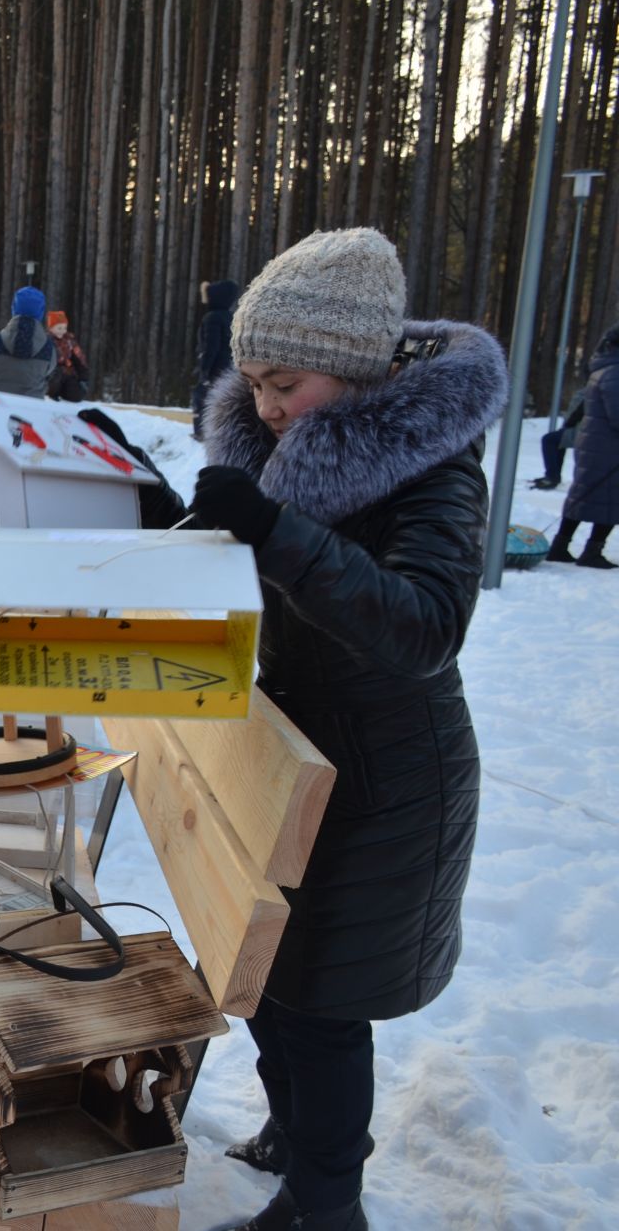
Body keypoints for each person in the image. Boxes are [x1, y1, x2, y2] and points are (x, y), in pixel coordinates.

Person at [133, 228, 506, 1231]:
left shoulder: (434, 472)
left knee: (325, 1006)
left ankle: (325, 1203)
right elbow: (262, 582)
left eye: (283, 382)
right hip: (298, 760)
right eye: (251, 382)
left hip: (389, 781)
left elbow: (422, 626)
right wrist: (180, 521)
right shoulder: (290, 452)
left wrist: (273, 532)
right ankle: (295, 1137)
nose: (264, 406)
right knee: (276, 980)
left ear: (349, 367)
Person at [548, 321, 619, 568]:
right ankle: (591, 551)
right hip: (608, 448)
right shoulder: (614, 373)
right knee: (608, 500)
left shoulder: (605, 369)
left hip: (598, 445)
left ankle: (560, 545)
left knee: (586, 496)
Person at [0, 288, 54, 397]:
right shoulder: (48, 347)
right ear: (41, 312)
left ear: (14, 308)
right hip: (31, 410)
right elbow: (49, 375)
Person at [196, 279, 241, 439]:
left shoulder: (212, 318)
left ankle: (201, 432)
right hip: (227, 366)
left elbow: (210, 347)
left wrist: (204, 370)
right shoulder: (229, 317)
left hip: (215, 367)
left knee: (202, 398)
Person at [532, 391, 584, 490]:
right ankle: (553, 476)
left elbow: (580, 410)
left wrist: (569, 423)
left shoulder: (593, 389)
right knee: (555, 442)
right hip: (575, 429)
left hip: (580, 431)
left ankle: (552, 477)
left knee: (549, 440)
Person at [46, 311, 90, 402]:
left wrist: (83, 376)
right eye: (59, 328)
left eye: (64, 328)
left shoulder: (69, 341)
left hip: (67, 374)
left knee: (76, 395)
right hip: (52, 374)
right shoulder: (47, 341)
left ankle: (70, 393)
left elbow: (79, 358)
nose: (62, 331)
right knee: (56, 377)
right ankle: (51, 394)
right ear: (51, 328)